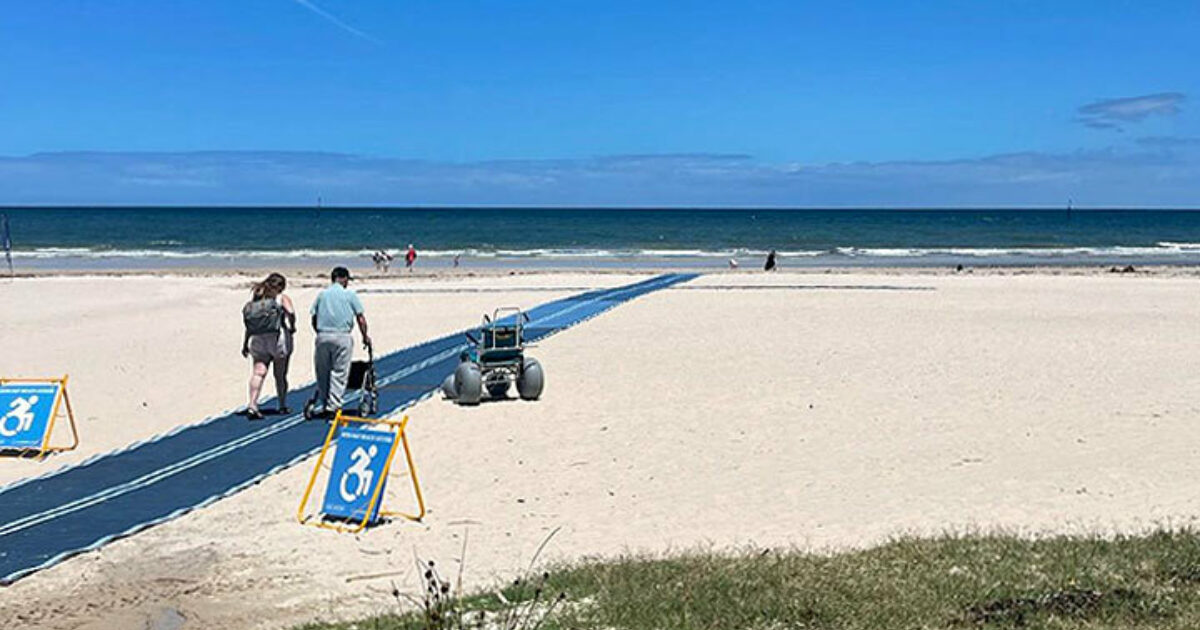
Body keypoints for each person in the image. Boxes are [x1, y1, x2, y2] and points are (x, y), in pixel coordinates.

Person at [309, 266, 371, 418]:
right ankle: (334, 405)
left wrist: (319, 332)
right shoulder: (349, 295)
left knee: (322, 371)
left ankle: (324, 403)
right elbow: (360, 318)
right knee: (339, 372)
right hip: (342, 335)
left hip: (323, 335)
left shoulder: (322, 295)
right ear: (343, 279)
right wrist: (365, 336)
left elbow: (313, 317)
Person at [241, 273, 296, 419]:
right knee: (280, 374)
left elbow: (249, 325)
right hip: (278, 339)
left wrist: (245, 343)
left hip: (257, 339)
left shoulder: (257, 299)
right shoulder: (281, 298)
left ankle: (252, 404)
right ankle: (282, 405)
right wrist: (292, 325)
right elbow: (290, 312)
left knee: (258, 372)